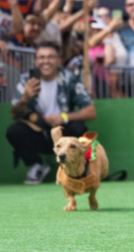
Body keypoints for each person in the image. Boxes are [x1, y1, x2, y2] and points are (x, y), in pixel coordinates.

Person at [7, 42, 97, 184]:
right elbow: (14, 115)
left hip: (64, 134)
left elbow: (91, 112)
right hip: (39, 133)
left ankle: (78, 169)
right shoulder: (27, 79)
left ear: (58, 60)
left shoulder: (70, 78)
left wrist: (64, 117)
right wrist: (25, 98)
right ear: (36, 61)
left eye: (50, 57)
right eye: (41, 57)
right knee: (14, 131)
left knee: (79, 127)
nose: (46, 61)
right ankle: (37, 166)